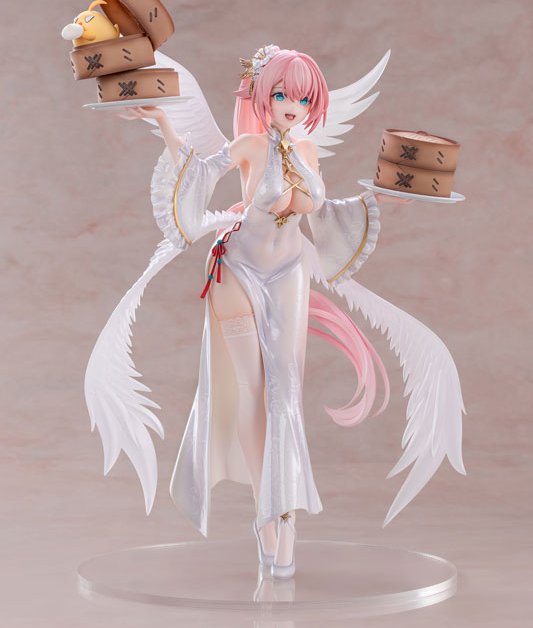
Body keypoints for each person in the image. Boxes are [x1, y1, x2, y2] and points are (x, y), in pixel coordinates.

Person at [85, 45, 465, 579]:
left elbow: (325, 214)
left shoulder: (306, 150)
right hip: (236, 272)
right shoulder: (247, 145)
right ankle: (267, 515)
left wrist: (382, 200)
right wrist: (165, 123)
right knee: (251, 390)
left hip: (288, 276)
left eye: (303, 97)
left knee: (285, 393)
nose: (292, 105)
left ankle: (285, 512)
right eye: (283, 93)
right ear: (263, 95)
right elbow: (195, 176)